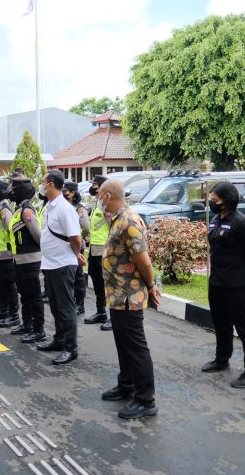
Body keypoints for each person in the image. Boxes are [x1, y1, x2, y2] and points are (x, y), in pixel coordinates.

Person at [97, 178, 160, 419]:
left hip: (128, 296)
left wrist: (152, 285)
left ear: (108, 196)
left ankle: (146, 399)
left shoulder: (130, 221)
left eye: (99, 195)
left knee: (135, 347)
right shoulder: (117, 219)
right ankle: (127, 385)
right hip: (116, 295)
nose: (97, 199)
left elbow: (143, 261)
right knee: (123, 344)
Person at [203, 182, 245, 389]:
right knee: (221, 324)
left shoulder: (241, 222)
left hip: (238, 285)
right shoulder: (215, 220)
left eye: (215, 200)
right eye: (211, 200)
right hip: (217, 283)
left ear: (227, 201)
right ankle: (222, 360)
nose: (211, 203)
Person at [38, 170, 85, 365]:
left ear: (51, 185)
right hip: (50, 264)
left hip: (63, 264)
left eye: (43, 182)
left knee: (65, 308)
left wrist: (76, 253)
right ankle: (59, 340)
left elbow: (75, 237)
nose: (40, 185)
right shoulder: (50, 206)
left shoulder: (65, 209)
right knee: (56, 307)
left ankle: (70, 348)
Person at [8, 177, 45, 343]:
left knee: (34, 295)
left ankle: (39, 329)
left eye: (14, 188)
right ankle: (27, 324)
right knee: (24, 293)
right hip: (19, 258)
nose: (11, 191)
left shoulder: (27, 210)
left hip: (29, 259)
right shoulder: (19, 209)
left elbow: (38, 235)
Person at [0, 180, 20, 327]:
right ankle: (3, 309)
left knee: (9, 285)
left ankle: (13, 315)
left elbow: (10, 229)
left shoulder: (4, 208)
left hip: (6, 254)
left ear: (1, 191)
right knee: (1, 284)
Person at [84, 175, 111, 330]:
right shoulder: (98, 203)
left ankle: (113, 316)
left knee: (107, 284)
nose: (93, 187)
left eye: (95, 185)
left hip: (104, 249)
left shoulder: (107, 205)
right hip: (94, 249)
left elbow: (112, 226)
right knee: (96, 282)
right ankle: (101, 312)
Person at [63, 181, 88, 315]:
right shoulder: (65, 207)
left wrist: (80, 240)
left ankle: (80, 304)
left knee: (78, 276)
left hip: (76, 245)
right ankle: (72, 300)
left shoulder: (79, 208)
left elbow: (86, 228)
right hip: (66, 246)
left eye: (66, 192)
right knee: (69, 275)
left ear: (73, 193)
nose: (63, 194)